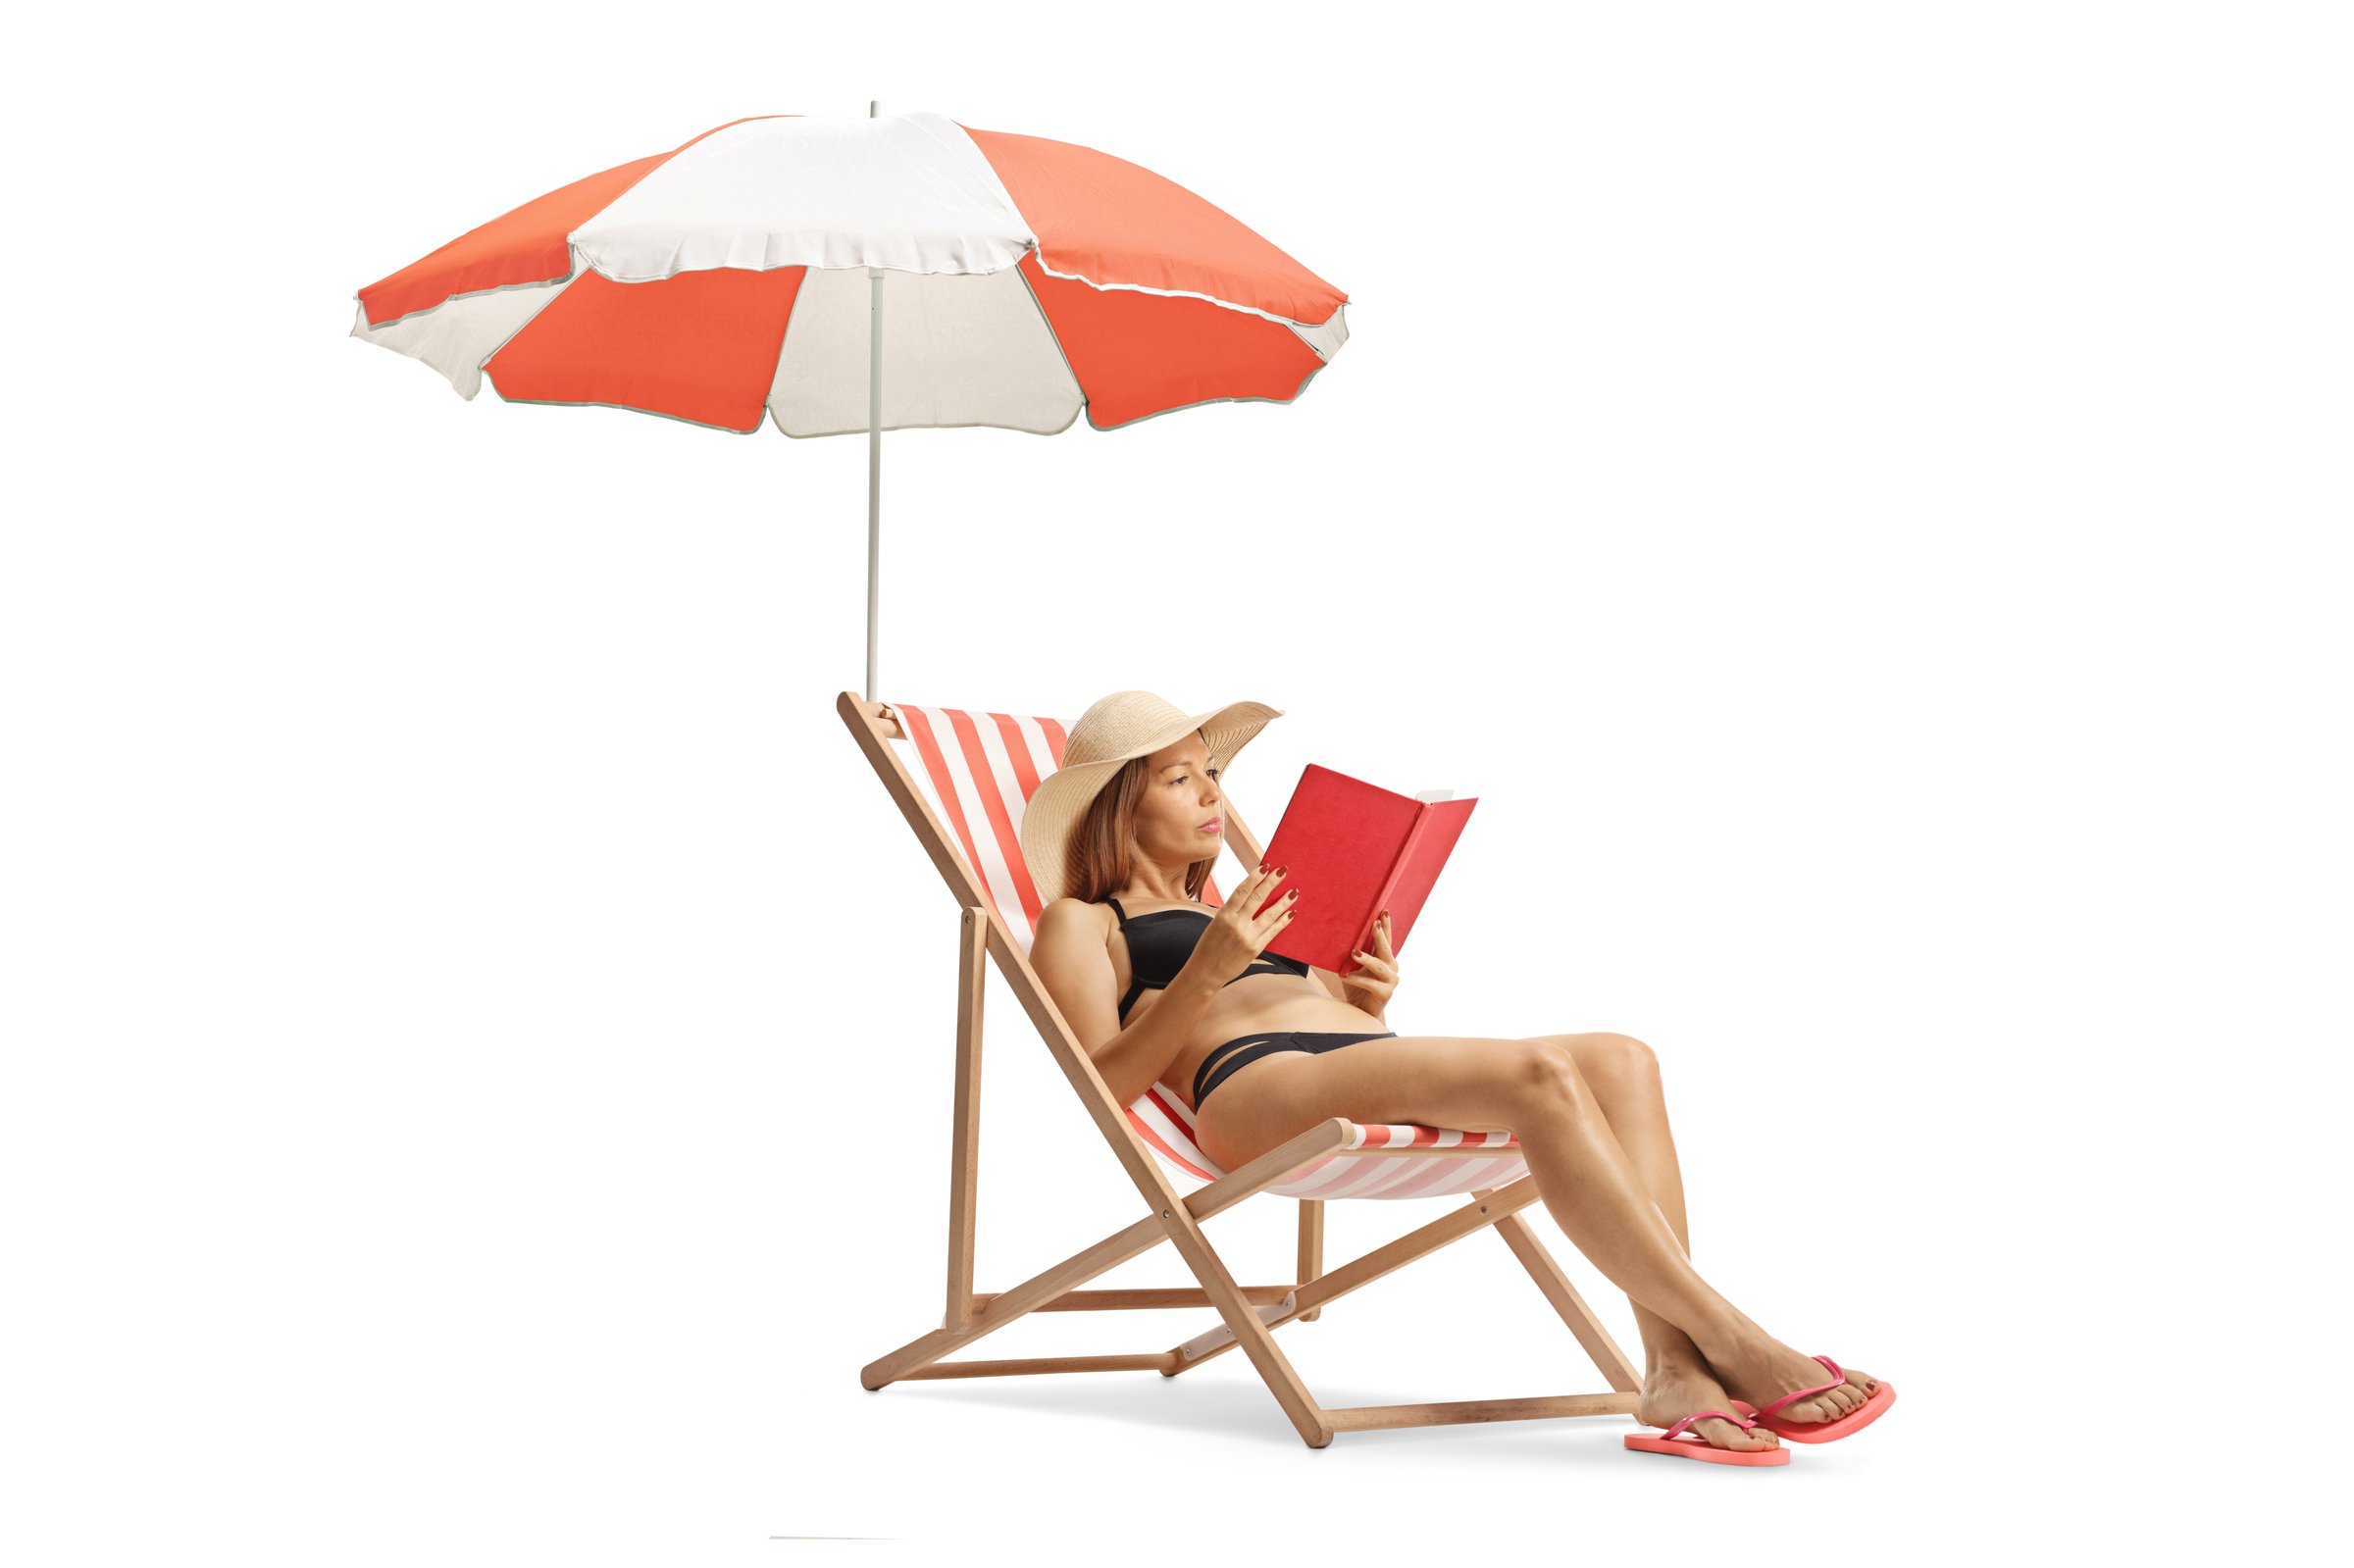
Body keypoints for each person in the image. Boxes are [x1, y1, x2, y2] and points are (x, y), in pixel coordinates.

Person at [1020, 690, 1892, 1463]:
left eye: (1211, 772)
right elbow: (1102, 1083)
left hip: (1345, 1061)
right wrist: (1208, 970)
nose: (1212, 793)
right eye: (1179, 779)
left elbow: (1350, 1029)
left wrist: (1365, 997)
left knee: (1625, 1058)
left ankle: (1673, 1370)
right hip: (1253, 1086)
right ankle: (1734, 1336)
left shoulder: (1245, 907)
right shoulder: (1084, 921)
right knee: (1539, 1073)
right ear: (1117, 807)